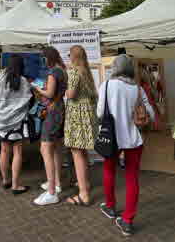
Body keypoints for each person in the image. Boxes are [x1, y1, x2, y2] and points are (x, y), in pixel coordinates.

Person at [97, 55, 154, 237]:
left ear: (115, 68)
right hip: (133, 140)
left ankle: (111, 206)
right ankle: (128, 220)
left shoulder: (106, 85)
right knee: (132, 178)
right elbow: (150, 113)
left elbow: (100, 113)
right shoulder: (137, 89)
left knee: (108, 171)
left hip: (112, 138)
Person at [33, 47, 67, 206]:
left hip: (52, 113)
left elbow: (49, 93)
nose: (43, 61)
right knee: (57, 147)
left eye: (44, 58)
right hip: (60, 110)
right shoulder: (63, 70)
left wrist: (38, 88)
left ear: (48, 58)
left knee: (45, 148)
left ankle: (52, 191)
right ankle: (56, 183)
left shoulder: (53, 72)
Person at [64, 45, 98, 206]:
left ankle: (84, 194)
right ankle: (85, 184)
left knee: (76, 152)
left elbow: (70, 95)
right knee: (81, 151)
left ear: (74, 56)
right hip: (86, 114)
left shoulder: (74, 72)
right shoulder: (86, 72)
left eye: (69, 54)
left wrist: (64, 88)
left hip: (77, 115)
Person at [0, 54, 32, 194]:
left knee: (4, 151)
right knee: (17, 152)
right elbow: (27, 101)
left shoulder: (0, 79)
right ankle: (16, 185)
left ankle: (5, 180)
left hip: (1, 121)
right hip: (17, 122)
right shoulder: (23, 81)